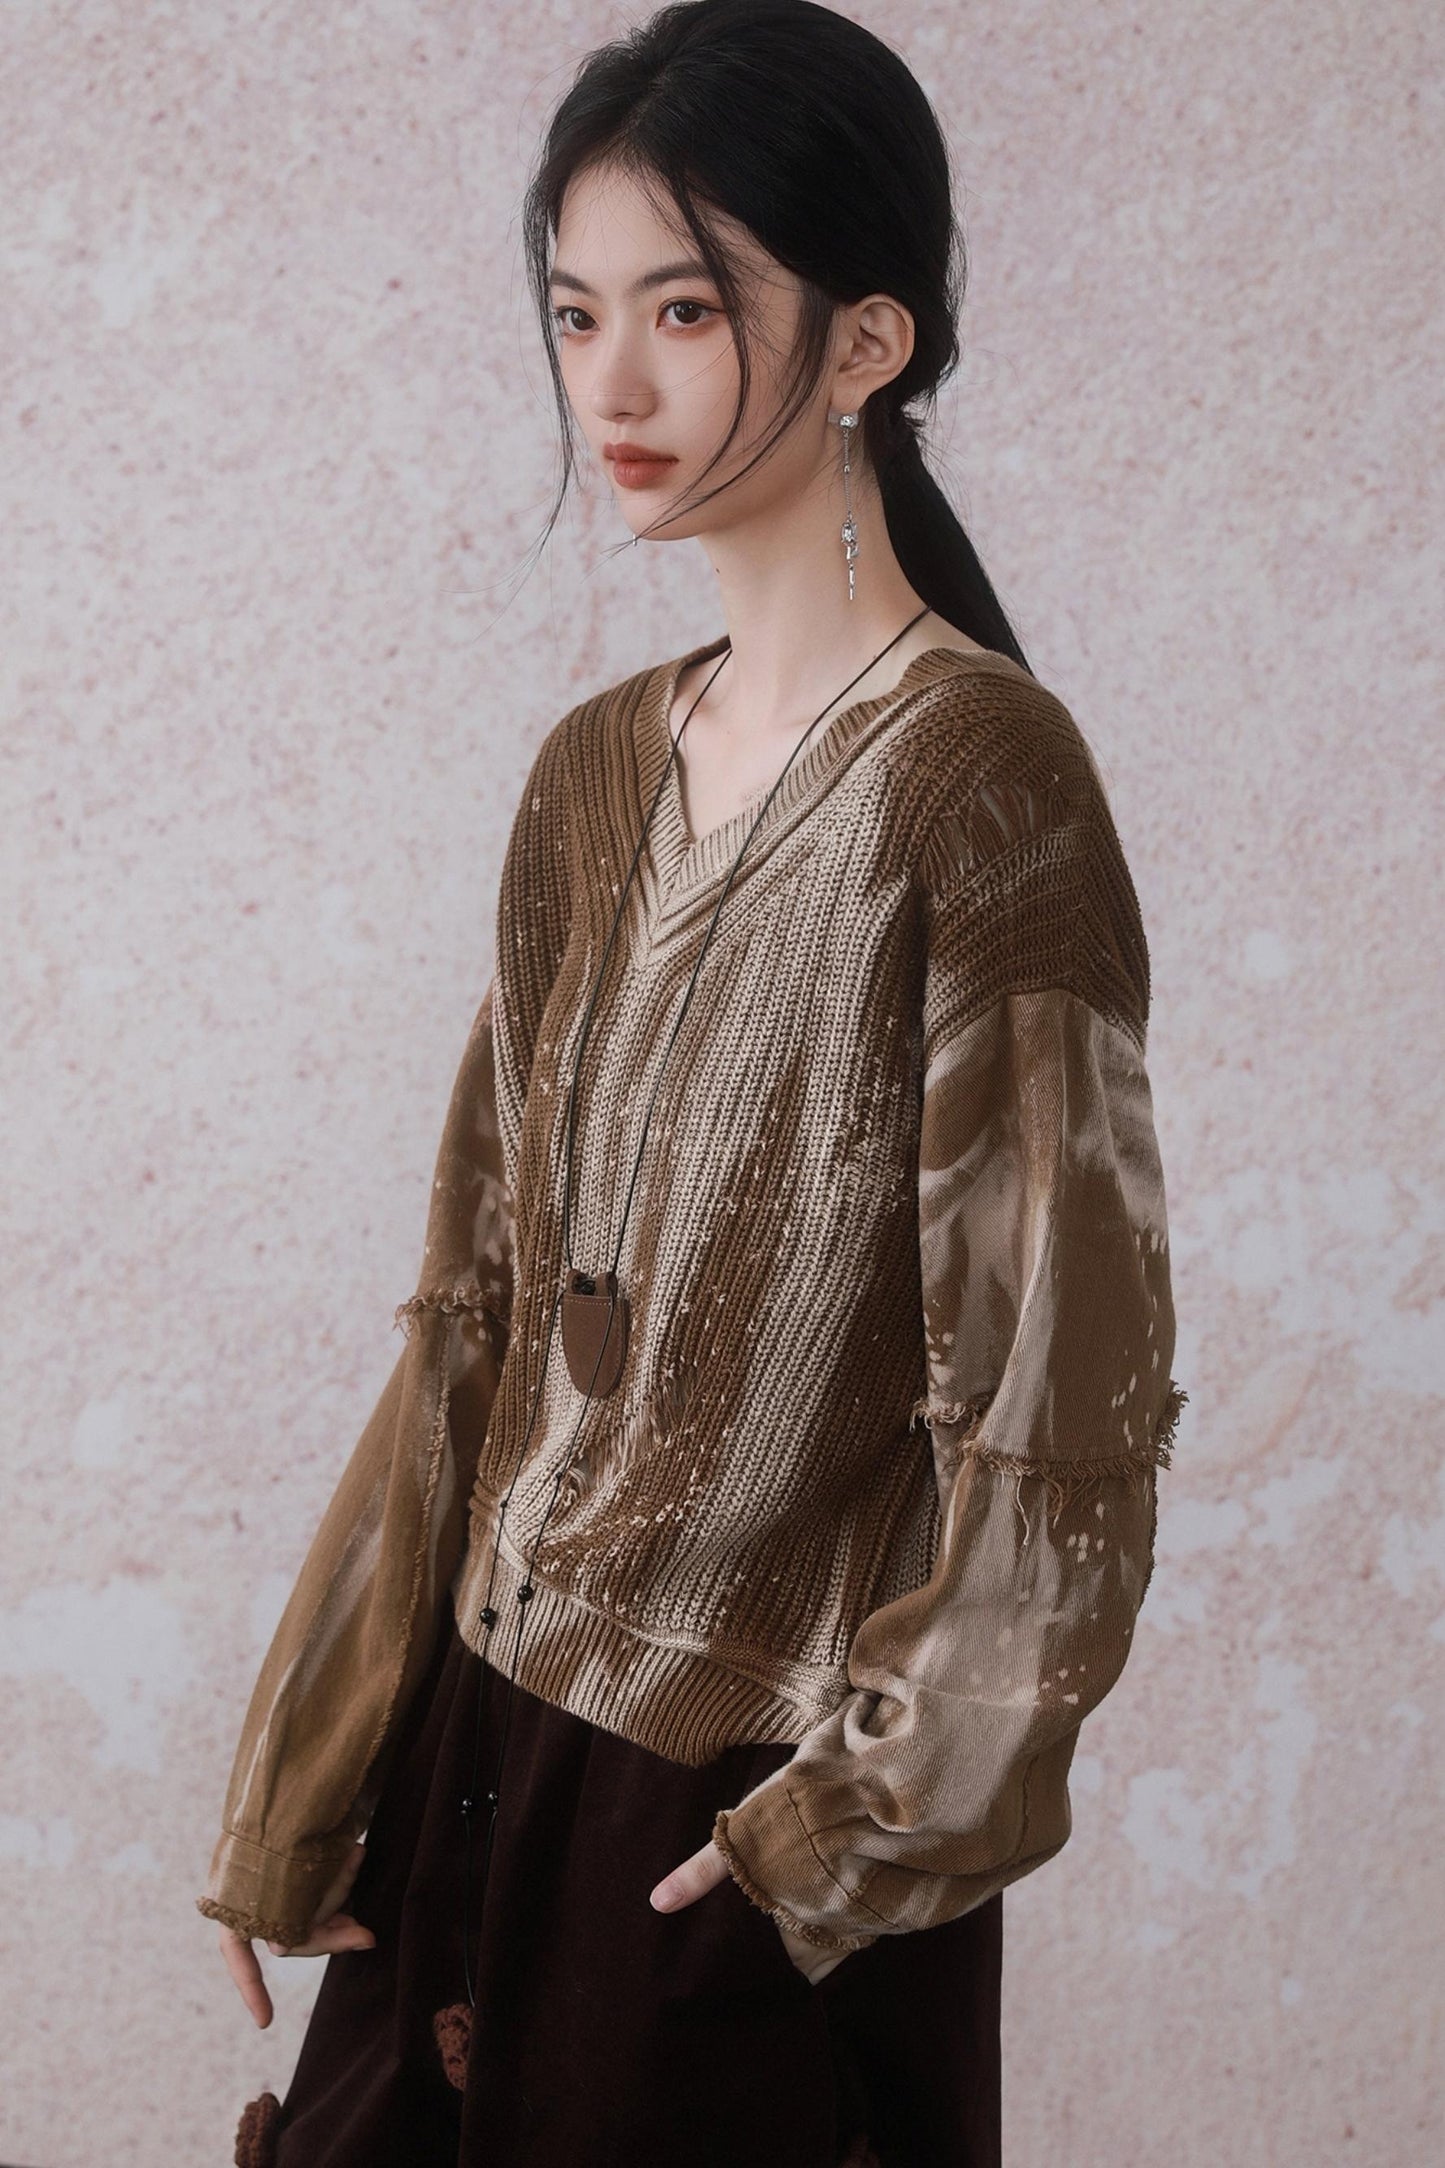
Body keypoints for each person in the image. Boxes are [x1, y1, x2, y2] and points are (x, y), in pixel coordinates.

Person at [200, 4, 1187, 2164]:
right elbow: (473, 1321)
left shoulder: (982, 784)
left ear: (865, 342)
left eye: (685, 307)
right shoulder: (590, 776)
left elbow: (1062, 1406)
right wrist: (314, 1763)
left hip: (727, 1823)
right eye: (577, 313)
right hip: (473, 1758)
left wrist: (840, 1836)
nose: (611, 386)